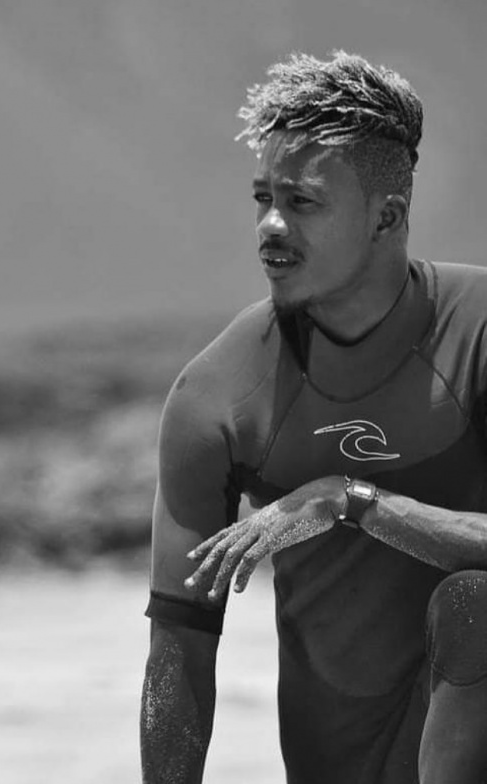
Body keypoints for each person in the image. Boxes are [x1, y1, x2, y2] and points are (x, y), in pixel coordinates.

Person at [139, 50, 487, 784]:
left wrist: (353, 500)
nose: (269, 226)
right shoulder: (220, 394)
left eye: (301, 203)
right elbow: (180, 648)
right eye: (263, 198)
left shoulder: (478, 331)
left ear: (386, 217)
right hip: (338, 765)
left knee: (477, 605)